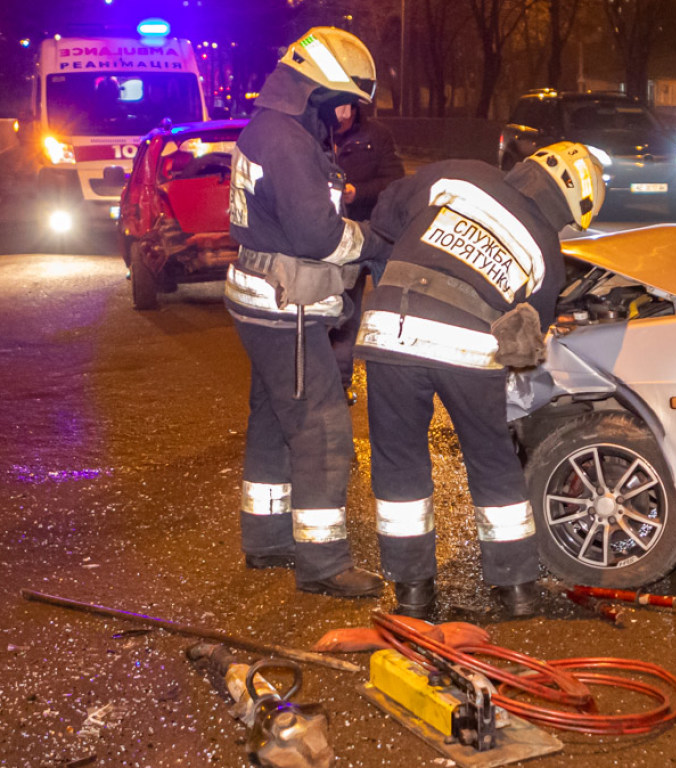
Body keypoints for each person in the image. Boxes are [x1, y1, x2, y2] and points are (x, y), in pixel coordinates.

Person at [355, 142, 605, 618]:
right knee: (492, 460)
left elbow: (388, 210)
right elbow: (531, 332)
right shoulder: (548, 253)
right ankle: (517, 590)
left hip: (392, 332)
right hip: (466, 352)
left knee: (400, 461)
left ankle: (413, 595)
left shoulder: (458, 169)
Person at [223, 27, 389, 599]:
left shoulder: (266, 129)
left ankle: (267, 538)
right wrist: (371, 241)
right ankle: (324, 563)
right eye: (340, 101)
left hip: (260, 298)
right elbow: (318, 236)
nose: (345, 115)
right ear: (313, 92)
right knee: (321, 428)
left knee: (273, 419)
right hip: (285, 309)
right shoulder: (290, 143)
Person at [328, 102, 405, 402]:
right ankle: (339, 384)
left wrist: (357, 191)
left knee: (387, 310)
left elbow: (394, 180)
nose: (343, 114)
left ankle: (394, 383)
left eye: (348, 106)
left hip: (376, 232)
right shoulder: (320, 135)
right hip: (339, 236)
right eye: (338, 106)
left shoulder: (377, 134)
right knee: (344, 311)